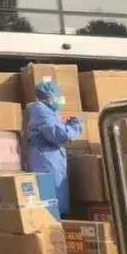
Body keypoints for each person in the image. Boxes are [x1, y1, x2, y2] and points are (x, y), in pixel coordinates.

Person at [25, 80, 83, 217]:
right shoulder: (41, 111)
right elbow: (60, 135)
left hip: (51, 158)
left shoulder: (50, 111)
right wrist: (76, 125)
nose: (61, 99)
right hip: (46, 160)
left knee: (58, 201)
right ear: (49, 97)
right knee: (51, 203)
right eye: (58, 96)